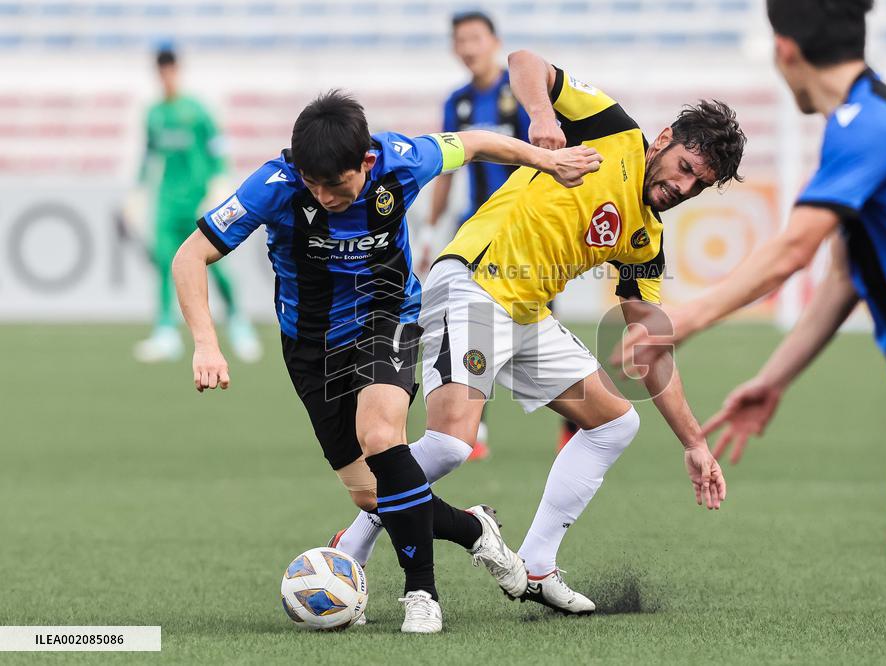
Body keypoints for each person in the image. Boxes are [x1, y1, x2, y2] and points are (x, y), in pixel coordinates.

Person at [614, 0, 886, 632]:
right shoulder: (870, 119)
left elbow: (795, 249)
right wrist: (776, 378)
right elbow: (847, 273)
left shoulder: (864, 126)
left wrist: (682, 320)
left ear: (785, 50)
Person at [170, 90, 601, 633]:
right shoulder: (275, 184)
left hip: (388, 317)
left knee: (381, 437)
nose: (324, 195)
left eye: (337, 184)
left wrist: (548, 159)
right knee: (373, 494)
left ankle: (421, 593)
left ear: (366, 163)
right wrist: (206, 343)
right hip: (309, 345)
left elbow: (474, 144)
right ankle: (474, 530)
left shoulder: (400, 158)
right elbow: (191, 255)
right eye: (313, 183)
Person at [331, 50, 742, 615]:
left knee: (616, 424)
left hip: (526, 318)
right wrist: (543, 116)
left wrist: (695, 444)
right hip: (474, 286)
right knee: (452, 444)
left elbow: (652, 351)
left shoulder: (646, 241)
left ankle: (538, 563)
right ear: (663, 138)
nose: (685, 187)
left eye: (701, 185)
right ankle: (351, 543)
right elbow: (525, 61)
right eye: (687, 168)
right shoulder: (614, 131)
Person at [418, 10, 578, 457]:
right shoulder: (458, 102)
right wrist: (430, 231)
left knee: (543, 322)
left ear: (492, 41)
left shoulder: (524, 94)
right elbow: (447, 171)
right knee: (471, 323)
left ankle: (573, 424)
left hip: (529, 232)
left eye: (475, 38)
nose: (467, 47)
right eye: (460, 40)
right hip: (476, 231)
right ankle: (475, 432)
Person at [133, 48, 261, 364]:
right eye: (161, 71)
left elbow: (218, 149)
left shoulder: (197, 111)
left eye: (170, 70)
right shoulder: (153, 114)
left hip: (198, 201)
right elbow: (148, 156)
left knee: (213, 266)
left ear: (178, 70)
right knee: (165, 265)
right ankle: (165, 331)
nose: (166, 77)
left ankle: (237, 321)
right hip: (166, 202)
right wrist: (137, 191)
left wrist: (219, 183)